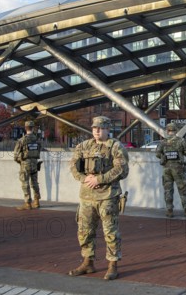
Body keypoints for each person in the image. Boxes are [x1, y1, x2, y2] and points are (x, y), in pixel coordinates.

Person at [68, 116, 129, 281]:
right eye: (94, 127)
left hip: (108, 196)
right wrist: (84, 178)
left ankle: (112, 265)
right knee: (84, 230)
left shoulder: (115, 147)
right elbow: (73, 165)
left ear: (108, 129)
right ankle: (88, 262)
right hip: (87, 196)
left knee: (110, 232)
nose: (96, 130)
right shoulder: (84, 145)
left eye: (101, 128)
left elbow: (122, 170)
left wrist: (99, 179)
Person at [155, 123, 186, 218]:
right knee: (183, 189)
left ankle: (169, 210)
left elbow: (157, 154)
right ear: (176, 130)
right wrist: (180, 153)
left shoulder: (163, 142)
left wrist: (165, 156)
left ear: (167, 131)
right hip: (178, 168)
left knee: (168, 190)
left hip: (166, 168)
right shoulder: (181, 141)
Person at [13, 120, 42, 210]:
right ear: (33, 128)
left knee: (25, 183)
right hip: (34, 164)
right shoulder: (37, 140)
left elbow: (15, 155)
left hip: (25, 164)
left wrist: (20, 161)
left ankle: (28, 203)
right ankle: (36, 201)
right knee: (35, 183)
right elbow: (38, 151)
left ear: (25, 128)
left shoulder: (22, 140)